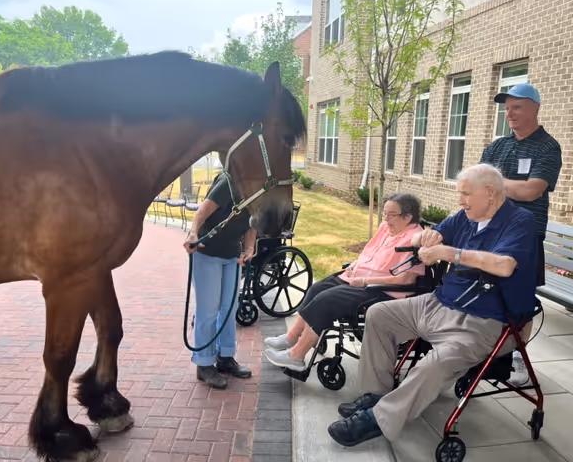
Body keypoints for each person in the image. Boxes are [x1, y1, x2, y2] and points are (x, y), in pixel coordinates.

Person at [327, 163, 538, 448]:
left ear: (490, 193)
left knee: (435, 363)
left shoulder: (519, 221)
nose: (460, 200)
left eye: (465, 193)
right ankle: (375, 395)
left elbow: (504, 265)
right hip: (439, 303)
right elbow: (417, 238)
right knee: (379, 314)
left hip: (483, 321)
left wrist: (450, 252)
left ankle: (377, 420)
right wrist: (427, 237)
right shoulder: (466, 216)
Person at [263, 192, 425, 372]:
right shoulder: (386, 228)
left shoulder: (415, 239)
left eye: (391, 215)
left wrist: (364, 281)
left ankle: (296, 356)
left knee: (327, 300)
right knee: (318, 288)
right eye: (384, 213)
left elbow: (405, 279)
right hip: (358, 279)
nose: (386, 219)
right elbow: (370, 253)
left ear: (408, 217)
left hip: (383, 290)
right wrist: (354, 266)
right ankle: (291, 337)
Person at [480, 82, 562, 385]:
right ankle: (487, 351)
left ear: (535, 108)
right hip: (489, 232)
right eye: (507, 108)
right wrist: (497, 185)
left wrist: (495, 184)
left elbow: (531, 191)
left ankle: (518, 359)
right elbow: (477, 186)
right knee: (485, 291)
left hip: (524, 236)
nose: (510, 113)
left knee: (520, 297)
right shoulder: (496, 146)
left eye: (517, 107)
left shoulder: (547, 146)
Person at [183, 172, 256, 389]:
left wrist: (250, 248)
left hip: (232, 256)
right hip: (207, 252)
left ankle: (225, 358)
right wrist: (193, 234)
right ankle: (204, 364)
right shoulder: (229, 182)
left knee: (229, 308)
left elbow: (252, 223)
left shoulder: (260, 188)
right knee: (208, 310)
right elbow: (201, 213)